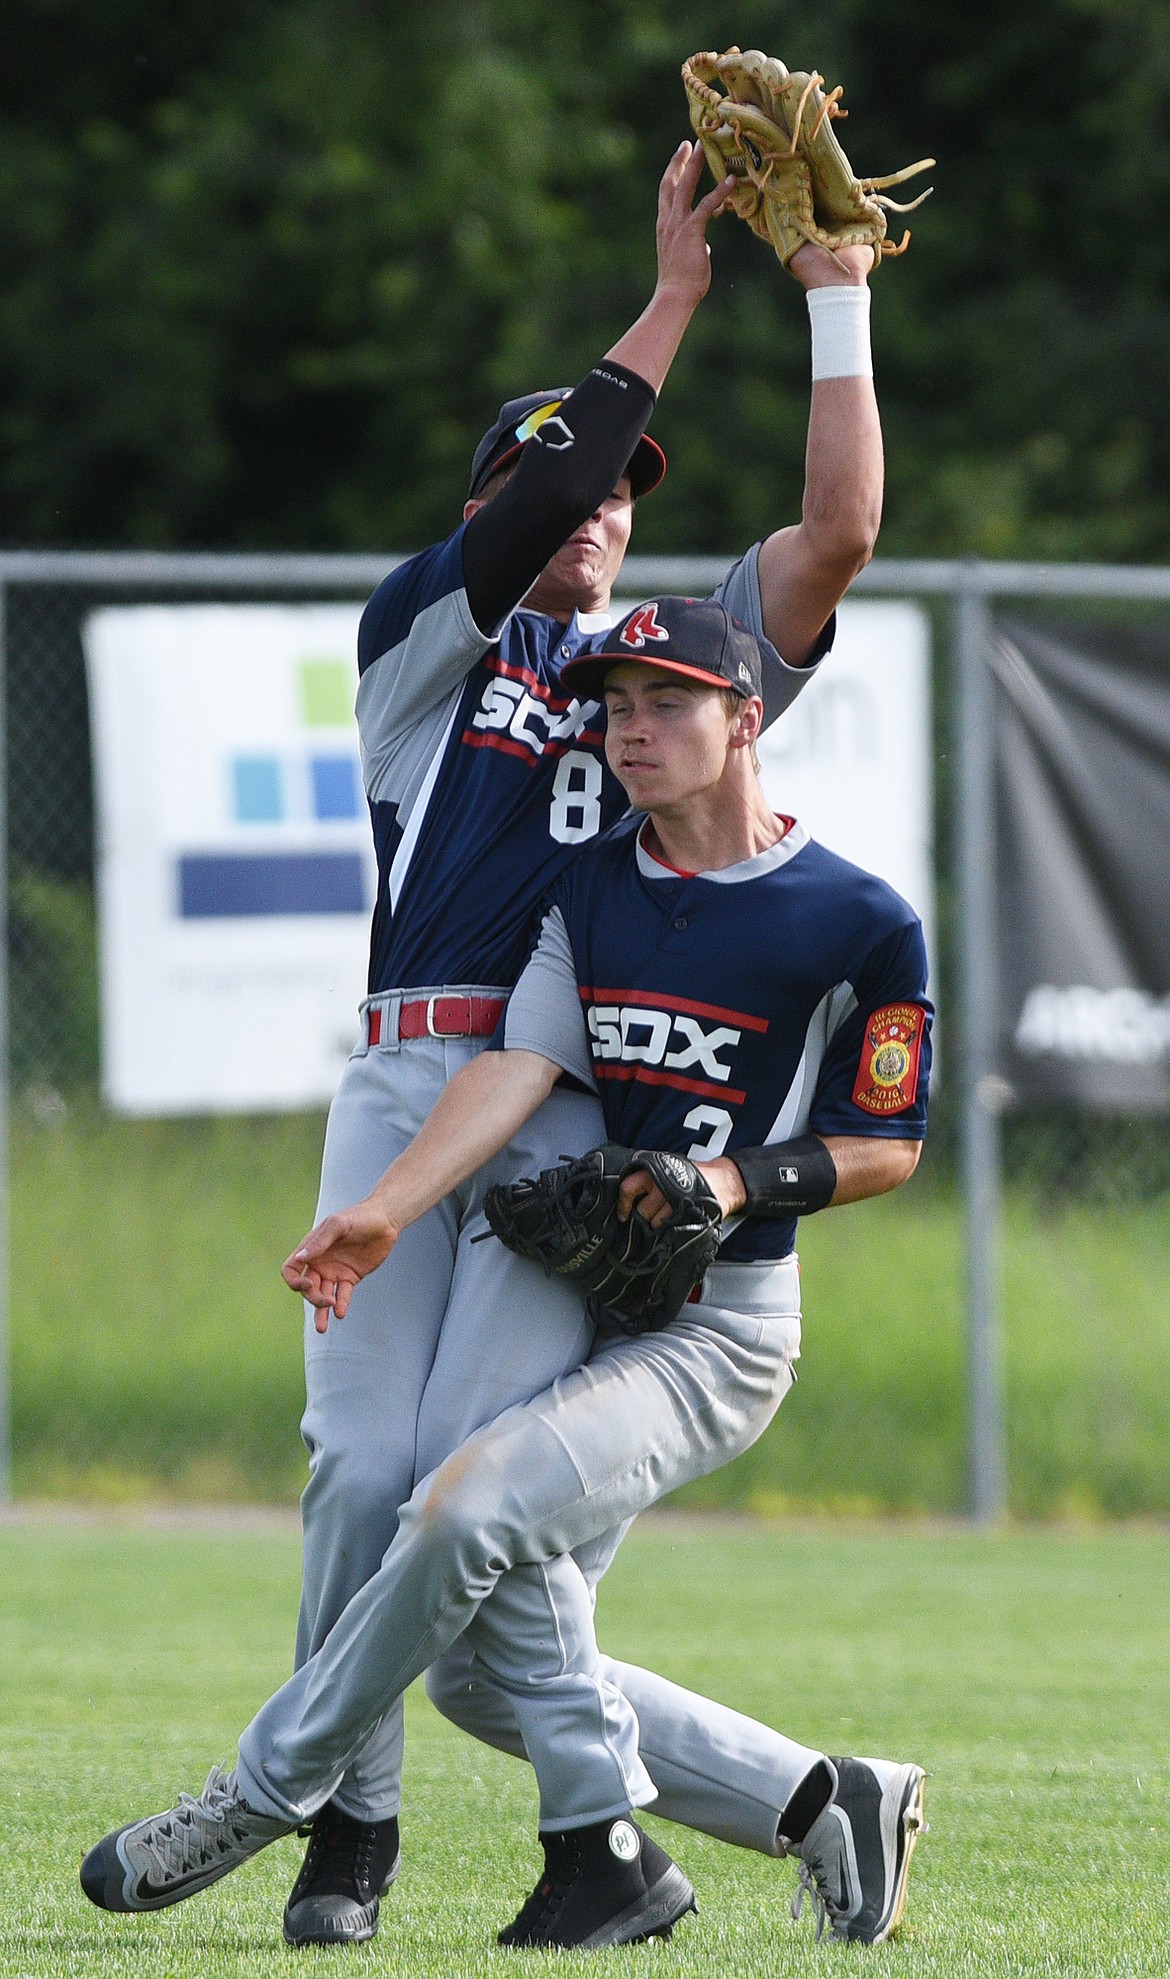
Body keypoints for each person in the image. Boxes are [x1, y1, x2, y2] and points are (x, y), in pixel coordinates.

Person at [83, 142, 884, 1950]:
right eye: (563, 487)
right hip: (396, 1083)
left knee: (466, 1493)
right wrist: (675, 294)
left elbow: (834, 539)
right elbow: (539, 503)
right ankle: (400, 1829)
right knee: (362, 1477)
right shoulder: (419, 646)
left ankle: (356, 1823)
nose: (599, 512)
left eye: (622, 497)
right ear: (492, 511)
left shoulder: (664, 680)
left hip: (554, 1107)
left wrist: (832, 308)